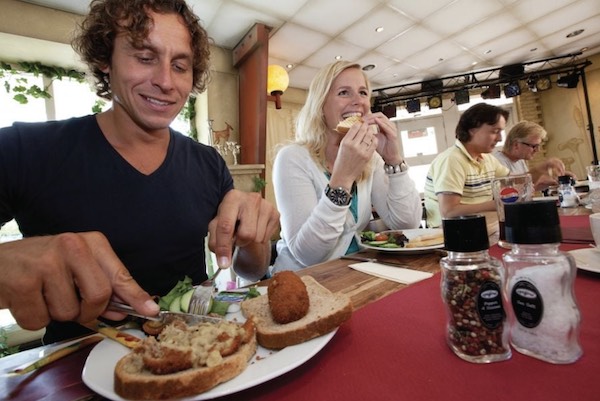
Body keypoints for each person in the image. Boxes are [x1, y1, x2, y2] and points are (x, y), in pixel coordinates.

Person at [0, 0, 279, 343]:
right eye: (145, 58)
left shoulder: (208, 163)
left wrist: (254, 241)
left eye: (180, 65)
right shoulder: (23, 150)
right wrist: (7, 262)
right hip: (77, 367)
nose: (166, 81)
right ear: (105, 59)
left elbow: (249, 270)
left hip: (196, 347)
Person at [271, 61, 422, 272]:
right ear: (321, 105)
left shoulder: (371, 158)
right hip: (300, 281)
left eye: (363, 92)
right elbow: (307, 255)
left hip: (353, 275)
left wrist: (393, 159)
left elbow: (407, 225)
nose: (358, 102)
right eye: (344, 93)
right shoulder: (292, 158)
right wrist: (342, 177)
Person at [424, 103, 511, 229]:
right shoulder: (452, 160)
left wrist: (539, 173)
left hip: (484, 230)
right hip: (454, 235)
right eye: (495, 131)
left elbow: (513, 181)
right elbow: (449, 212)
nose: (499, 138)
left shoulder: (487, 159)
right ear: (473, 129)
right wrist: (496, 204)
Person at [493, 120, 569, 191]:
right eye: (534, 146)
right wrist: (543, 167)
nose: (537, 150)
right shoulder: (497, 162)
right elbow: (507, 196)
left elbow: (520, 189)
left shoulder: (520, 161)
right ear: (516, 145)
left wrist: (538, 185)